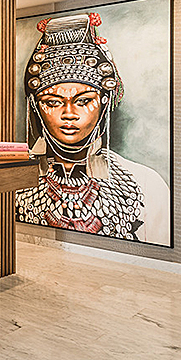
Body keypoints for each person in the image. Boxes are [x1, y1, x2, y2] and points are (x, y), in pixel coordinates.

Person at [15, 13, 170, 245]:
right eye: (53, 102)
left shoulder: (145, 184)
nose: (69, 113)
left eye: (83, 101)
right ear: (37, 107)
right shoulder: (11, 180)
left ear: (104, 102)